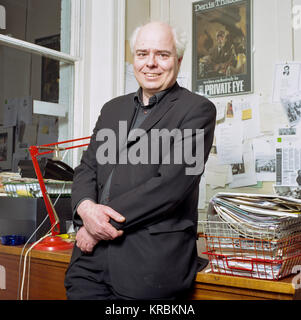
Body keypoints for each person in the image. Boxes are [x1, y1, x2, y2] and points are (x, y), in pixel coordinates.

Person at [64, 21, 216, 300]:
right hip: (88, 264)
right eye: (142, 54)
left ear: (178, 60)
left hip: (150, 269)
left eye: (162, 54)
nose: (151, 63)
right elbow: (87, 168)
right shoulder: (112, 109)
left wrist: (96, 228)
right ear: (133, 59)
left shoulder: (197, 110)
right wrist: (85, 209)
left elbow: (170, 187)